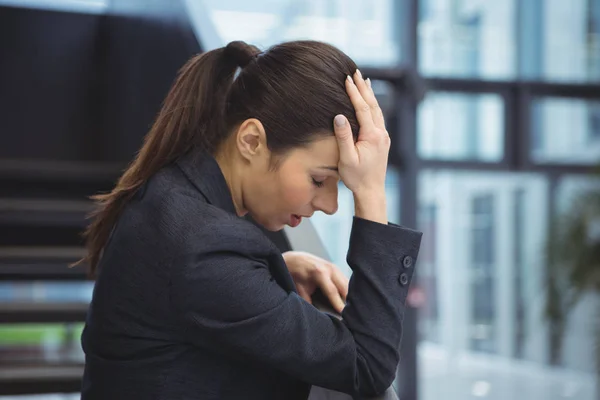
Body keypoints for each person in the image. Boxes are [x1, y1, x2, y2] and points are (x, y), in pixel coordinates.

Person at [78, 40, 423, 400]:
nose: (330, 206)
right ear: (252, 140)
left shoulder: (176, 194)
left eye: (342, 186)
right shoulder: (202, 250)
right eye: (319, 180)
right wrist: (371, 193)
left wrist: (271, 272)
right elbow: (366, 367)